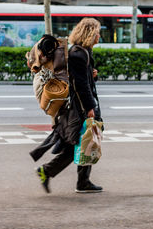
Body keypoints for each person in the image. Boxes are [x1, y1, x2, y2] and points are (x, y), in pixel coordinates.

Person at [29, 18, 103, 194]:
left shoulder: (84, 51)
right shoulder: (79, 54)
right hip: (80, 109)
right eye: (97, 32)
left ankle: (72, 178)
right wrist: (90, 108)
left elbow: (85, 81)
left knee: (82, 142)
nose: (99, 35)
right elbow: (80, 86)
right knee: (84, 141)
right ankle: (72, 179)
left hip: (81, 107)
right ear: (90, 33)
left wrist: (93, 75)